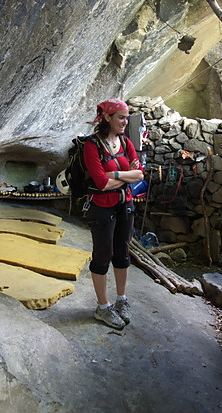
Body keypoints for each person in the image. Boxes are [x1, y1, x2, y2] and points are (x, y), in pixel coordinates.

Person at [83, 98, 144, 330]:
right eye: (120, 117)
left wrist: (114, 175)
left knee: (122, 253)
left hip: (125, 204)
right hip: (101, 208)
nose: (125, 122)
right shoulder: (92, 146)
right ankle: (103, 306)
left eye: (126, 118)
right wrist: (124, 175)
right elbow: (99, 183)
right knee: (102, 255)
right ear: (107, 117)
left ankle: (121, 299)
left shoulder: (126, 143)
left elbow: (140, 174)